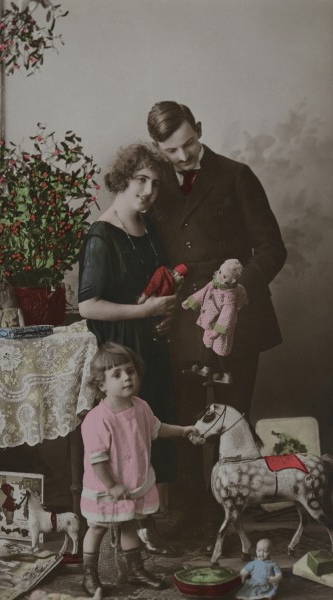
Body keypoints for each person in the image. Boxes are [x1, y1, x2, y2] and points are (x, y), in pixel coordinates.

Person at [146, 101, 287, 541]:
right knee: (188, 418)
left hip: (236, 317)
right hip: (184, 317)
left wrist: (244, 287)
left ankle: (233, 513)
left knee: (235, 418)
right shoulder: (153, 185)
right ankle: (193, 514)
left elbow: (272, 248)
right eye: (172, 150)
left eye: (189, 143)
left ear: (200, 129)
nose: (183, 156)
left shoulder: (236, 175)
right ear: (157, 148)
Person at [78, 143, 178, 552]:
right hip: (121, 353)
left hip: (153, 345)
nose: (148, 191)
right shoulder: (102, 235)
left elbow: (158, 284)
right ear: (123, 179)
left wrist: (165, 314)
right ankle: (126, 529)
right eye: (141, 180)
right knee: (125, 440)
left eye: (156, 183)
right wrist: (145, 312)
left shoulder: (148, 225)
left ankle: (150, 523)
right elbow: (87, 305)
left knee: (151, 429)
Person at [80, 342, 197, 596]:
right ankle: (89, 575)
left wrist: (183, 431)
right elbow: (97, 460)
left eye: (130, 371)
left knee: (129, 523)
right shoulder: (98, 419)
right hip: (106, 486)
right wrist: (112, 485)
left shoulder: (141, 406)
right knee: (97, 527)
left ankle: (135, 570)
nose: (127, 378)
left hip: (132, 482)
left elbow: (157, 429)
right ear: (101, 385)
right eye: (117, 374)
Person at [182, 258, 247, 384]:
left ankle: (227, 375)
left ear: (233, 280)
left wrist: (218, 331)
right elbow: (204, 291)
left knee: (221, 350)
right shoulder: (216, 282)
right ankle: (206, 368)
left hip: (221, 327)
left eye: (224, 276)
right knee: (207, 344)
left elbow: (227, 313)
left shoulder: (230, 295)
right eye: (220, 271)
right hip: (209, 320)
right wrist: (190, 301)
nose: (219, 275)